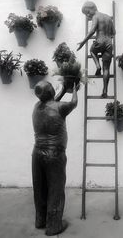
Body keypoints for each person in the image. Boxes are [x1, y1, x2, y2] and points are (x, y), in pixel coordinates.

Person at [32, 81, 78, 236]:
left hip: (37, 153)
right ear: (51, 91)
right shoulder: (60, 108)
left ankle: (40, 220)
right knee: (55, 190)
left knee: (40, 188)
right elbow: (73, 103)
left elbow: (52, 103)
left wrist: (64, 89)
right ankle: (53, 226)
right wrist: (74, 90)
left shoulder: (37, 107)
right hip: (55, 155)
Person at [77, 1, 115, 98]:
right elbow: (113, 33)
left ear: (92, 8)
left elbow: (92, 30)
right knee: (106, 68)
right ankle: (105, 90)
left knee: (92, 51)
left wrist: (83, 42)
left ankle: (97, 66)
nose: (88, 15)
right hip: (109, 44)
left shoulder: (95, 16)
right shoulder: (108, 18)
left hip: (100, 42)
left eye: (88, 12)